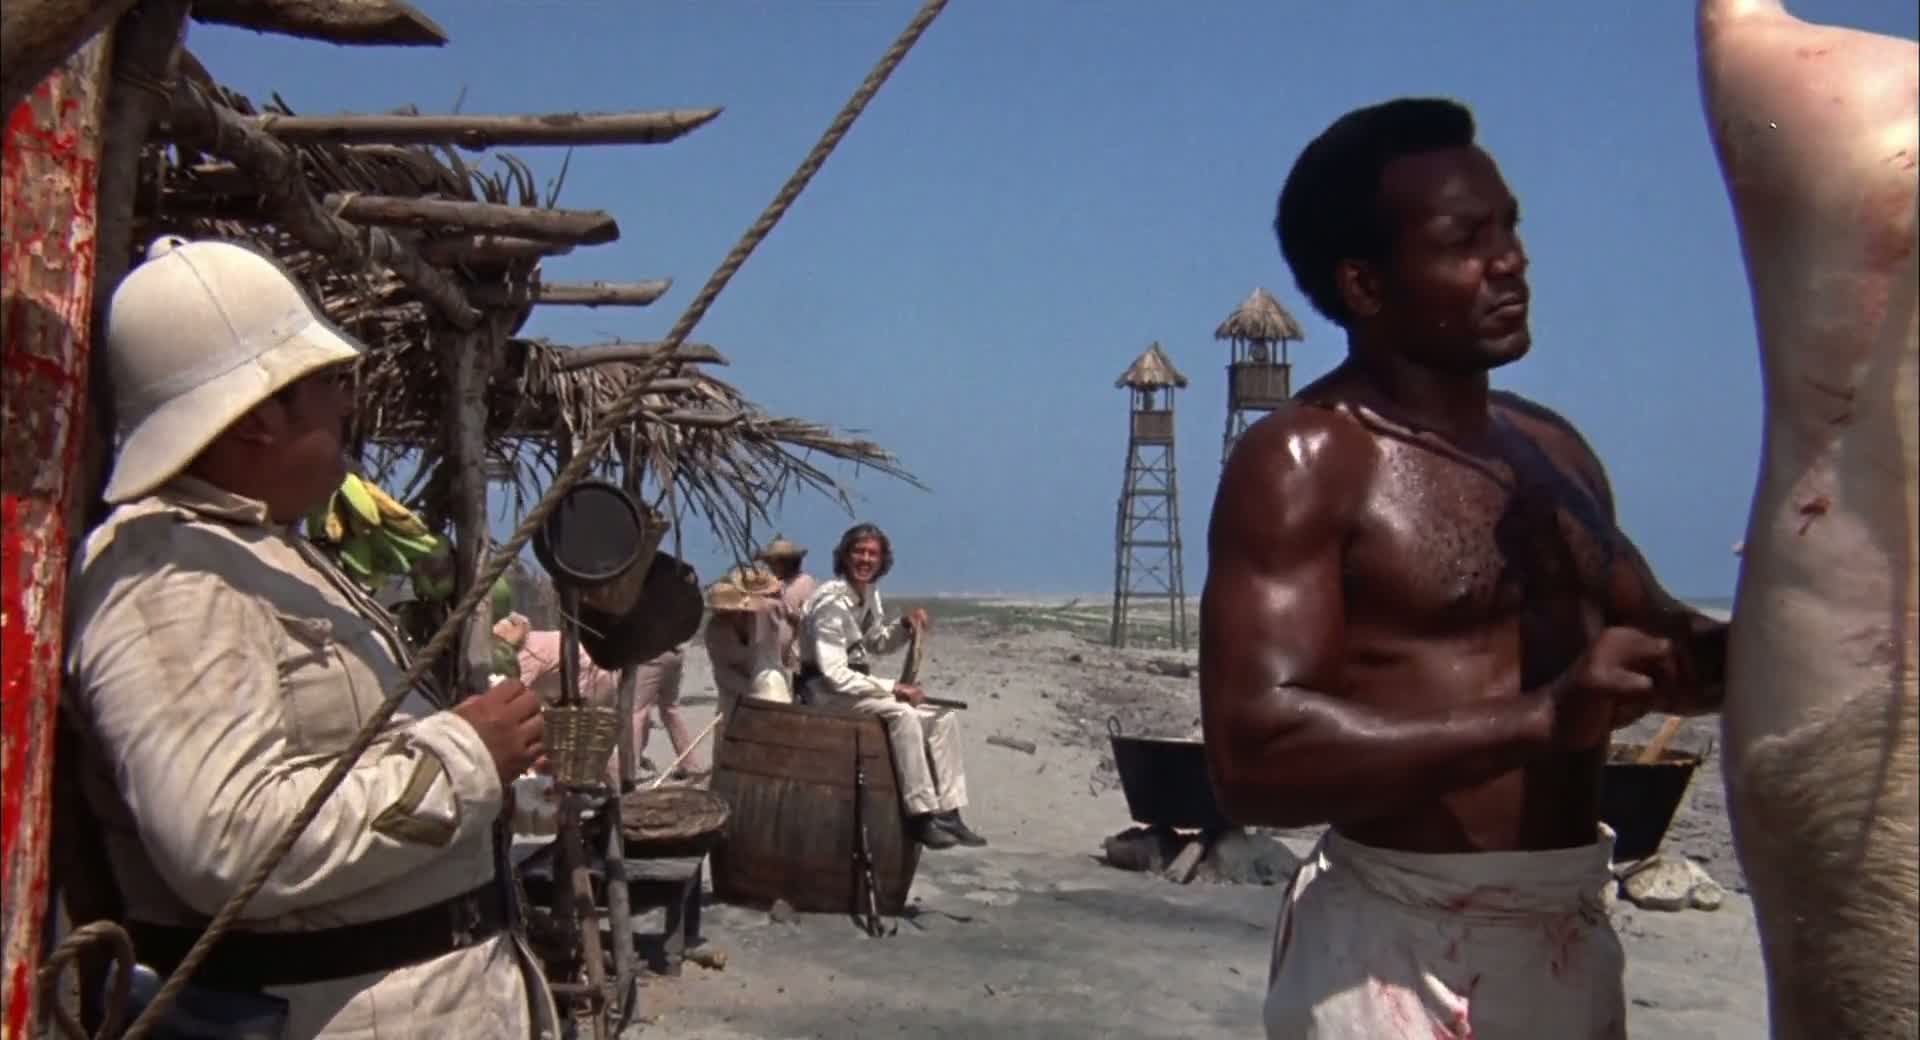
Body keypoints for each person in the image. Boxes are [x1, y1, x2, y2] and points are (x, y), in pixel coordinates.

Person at [1199, 98, 1727, 1040]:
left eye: (1510, 228)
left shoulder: (1552, 449)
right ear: (1365, 284)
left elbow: (1665, 640)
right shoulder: (1307, 460)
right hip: (1394, 952)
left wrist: (1811, 621)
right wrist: (1546, 718)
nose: (1510, 260)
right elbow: (1256, 758)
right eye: (1465, 240)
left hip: (1567, 934)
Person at [62, 237, 557, 1037]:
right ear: (260, 419)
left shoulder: (252, 549)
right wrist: (468, 756)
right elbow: (227, 844)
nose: (347, 406)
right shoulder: (171, 577)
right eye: (329, 384)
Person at [797, 523, 985, 850]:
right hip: (825, 693)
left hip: (855, 686)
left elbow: (876, 642)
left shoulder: (867, 595)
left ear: (882, 560)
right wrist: (893, 688)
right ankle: (919, 814)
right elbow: (835, 674)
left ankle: (949, 812)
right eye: (859, 552)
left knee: (941, 717)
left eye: (873, 554)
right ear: (845, 556)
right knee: (903, 715)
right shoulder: (830, 604)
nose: (865, 560)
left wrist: (904, 626)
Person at [700, 566, 794, 743]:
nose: (725, 613)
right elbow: (723, 672)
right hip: (732, 689)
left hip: (766, 681)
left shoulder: (763, 616)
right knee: (730, 736)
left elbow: (778, 649)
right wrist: (750, 692)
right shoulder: (715, 631)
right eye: (720, 610)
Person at [754, 533, 817, 673]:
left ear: (787, 562)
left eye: (773, 562)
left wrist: (788, 612)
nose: (770, 566)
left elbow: (811, 623)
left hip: (799, 661)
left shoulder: (805, 583)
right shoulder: (773, 585)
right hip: (774, 661)